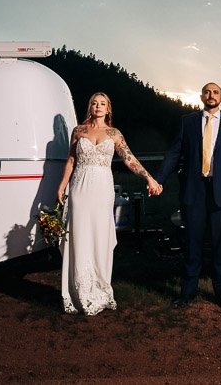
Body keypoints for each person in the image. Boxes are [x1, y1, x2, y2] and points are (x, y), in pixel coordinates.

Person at [56, 92, 162, 315]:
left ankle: (100, 287)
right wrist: (61, 186)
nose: (98, 106)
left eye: (102, 103)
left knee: (100, 236)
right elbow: (71, 160)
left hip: (102, 189)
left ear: (108, 109)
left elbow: (129, 159)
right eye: (94, 102)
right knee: (79, 234)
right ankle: (78, 290)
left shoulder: (114, 134)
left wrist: (149, 178)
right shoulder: (79, 131)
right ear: (90, 106)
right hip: (79, 188)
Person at [155, 82, 221, 310]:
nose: (211, 95)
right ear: (202, 96)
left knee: (220, 246)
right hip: (194, 191)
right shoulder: (188, 121)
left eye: (215, 92)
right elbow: (174, 153)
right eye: (207, 92)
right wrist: (159, 179)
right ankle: (187, 292)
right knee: (192, 244)